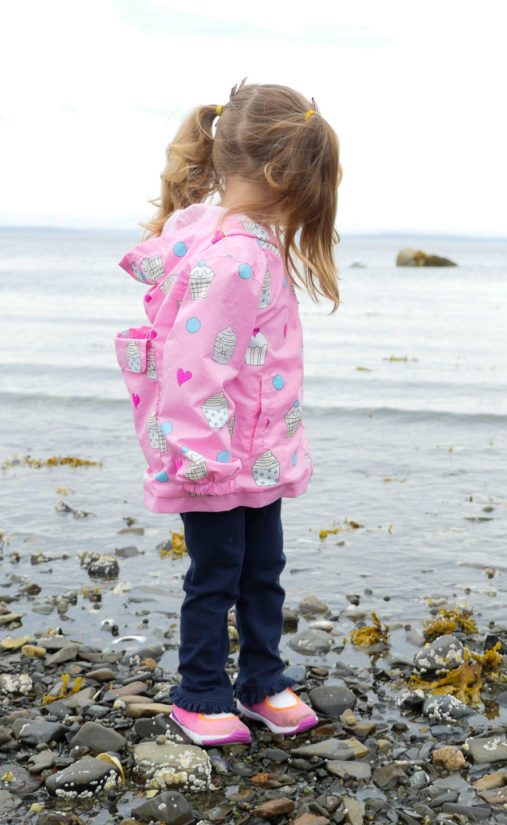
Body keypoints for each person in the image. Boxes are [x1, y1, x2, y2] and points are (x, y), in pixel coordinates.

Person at [114, 81, 340, 746]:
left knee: (261, 569)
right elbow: (195, 361)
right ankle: (201, 690)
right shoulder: (237, 255)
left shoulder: (235, 241)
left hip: (255, 453)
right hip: (214, 457)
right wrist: (198, 455)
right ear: (281, 176)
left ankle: (262, 679)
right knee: (217, 575)